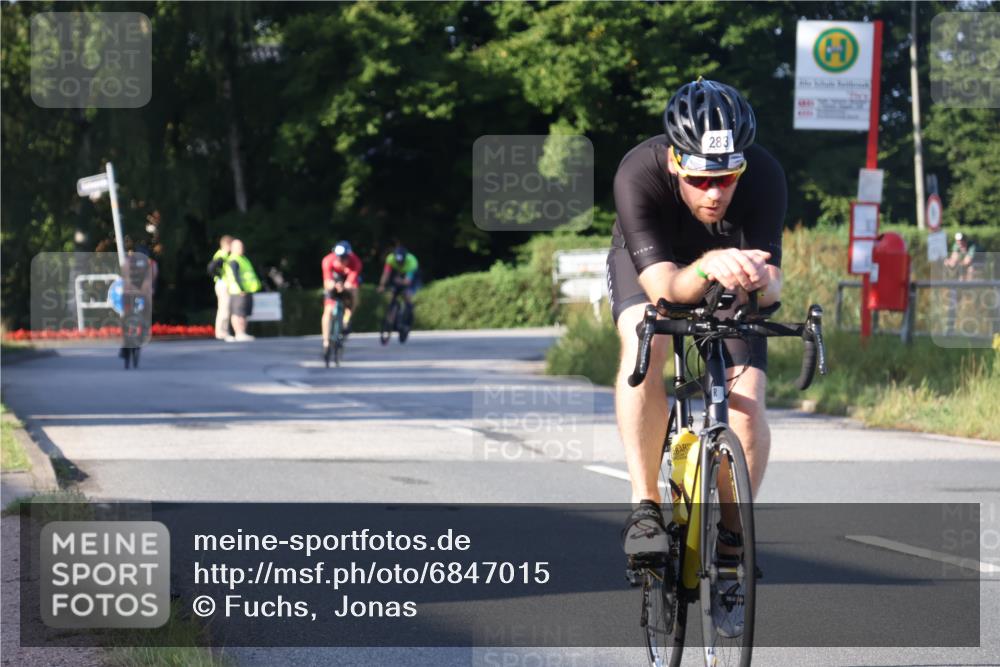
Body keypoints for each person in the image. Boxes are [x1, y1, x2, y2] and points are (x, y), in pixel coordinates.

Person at [609, 78, 786, 638]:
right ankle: (645, 506)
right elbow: (664, 286)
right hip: (655, 266)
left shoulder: (765, 176)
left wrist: (762, 281)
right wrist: (710, 263)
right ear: (674, 163)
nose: (716, 194)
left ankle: (733, 544)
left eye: (727, 178)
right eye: (702, 179)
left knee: (748, 403)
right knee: (646, 334)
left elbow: (774, 283)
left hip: (727, 271)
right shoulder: (637, 173)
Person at [321, 240, 363, 351]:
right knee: (328, 310)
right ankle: (326, 342)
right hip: (334, 280)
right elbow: (327, 282)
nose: (342, 261)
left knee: (354, 293)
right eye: (339, 258)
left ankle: (347, 319)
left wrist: (345, 287)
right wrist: (334, 285)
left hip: (347, 281)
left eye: (344, 258)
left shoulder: (355, 262)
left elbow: (351, 282)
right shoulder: (327, 261)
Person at [223, 239, 261, 342]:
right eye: (239, 247)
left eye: (242, 246)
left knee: (244, 313)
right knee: (238, 313)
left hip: (246, 290)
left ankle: (242, 332)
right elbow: (236, 275)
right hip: (238, 291)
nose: (241, 249)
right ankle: (239, 333)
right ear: (233, 248)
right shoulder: (234, 260)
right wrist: (241, 288)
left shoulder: (243, 259)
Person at [377, 244, 419, 327]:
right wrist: (381, 285)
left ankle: (409, 312)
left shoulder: (412, 262)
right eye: (398, 261)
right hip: (398, 274)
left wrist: (400, 281)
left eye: (401, 262)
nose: (399, 263)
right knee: (391, 294)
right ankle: (391, 318)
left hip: (410, 276)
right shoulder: (390, 259)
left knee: (407, 295)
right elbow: (386, 274)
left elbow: (407, 281)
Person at [207, 235, 233, 340]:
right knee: (224, 309)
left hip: (223, 284)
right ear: (227, 245)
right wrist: (218, 276)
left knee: (225, 309)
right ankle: (222, 332)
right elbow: (211, 268)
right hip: (223, 285)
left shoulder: (223, 255)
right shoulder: (222, 255)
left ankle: (222, 332)